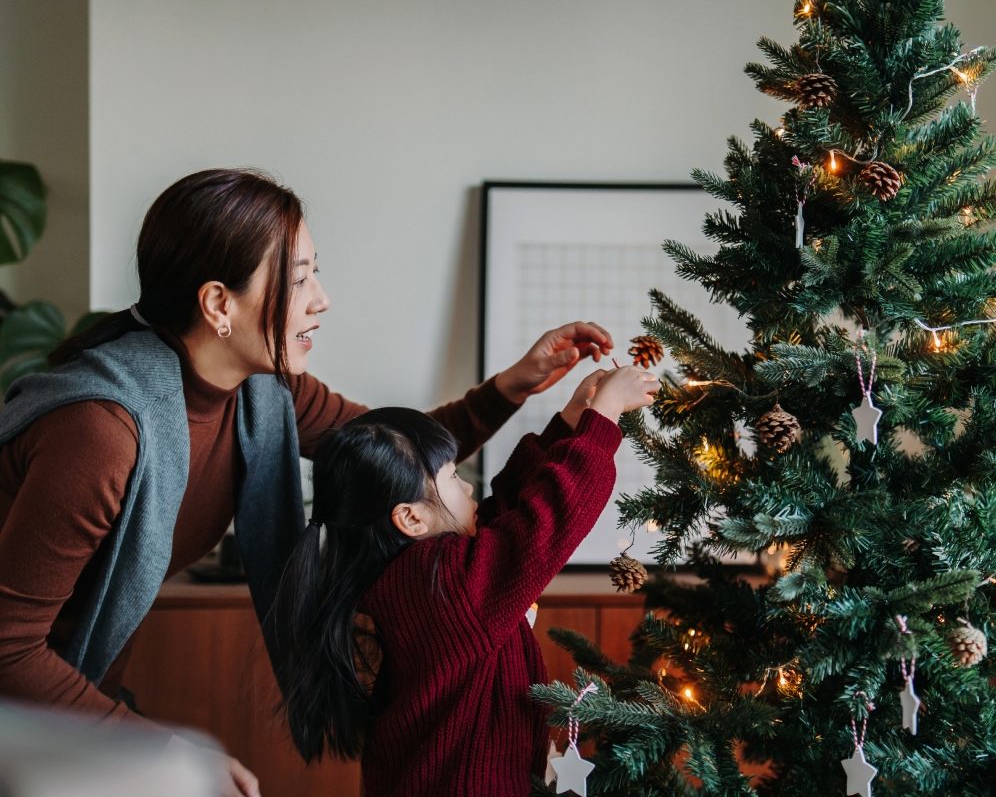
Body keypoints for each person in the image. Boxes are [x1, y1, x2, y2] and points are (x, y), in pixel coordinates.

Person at [0, 168, 616, 797]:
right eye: (297, 280)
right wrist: (155, 747)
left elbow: (396, 459)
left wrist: (515, 383)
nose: (321, 299)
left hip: (68, 698)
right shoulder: (102, 433)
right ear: (218, 304)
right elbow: (8, 648)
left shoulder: (265, 389)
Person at [269, 362, 658, 796]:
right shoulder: (445, 582)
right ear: (411, 518)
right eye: (453, 477)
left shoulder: (419, 573)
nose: (470, 488)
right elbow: (544, 521)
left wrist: (569, 422)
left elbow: (505, 515)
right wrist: (602, 417)